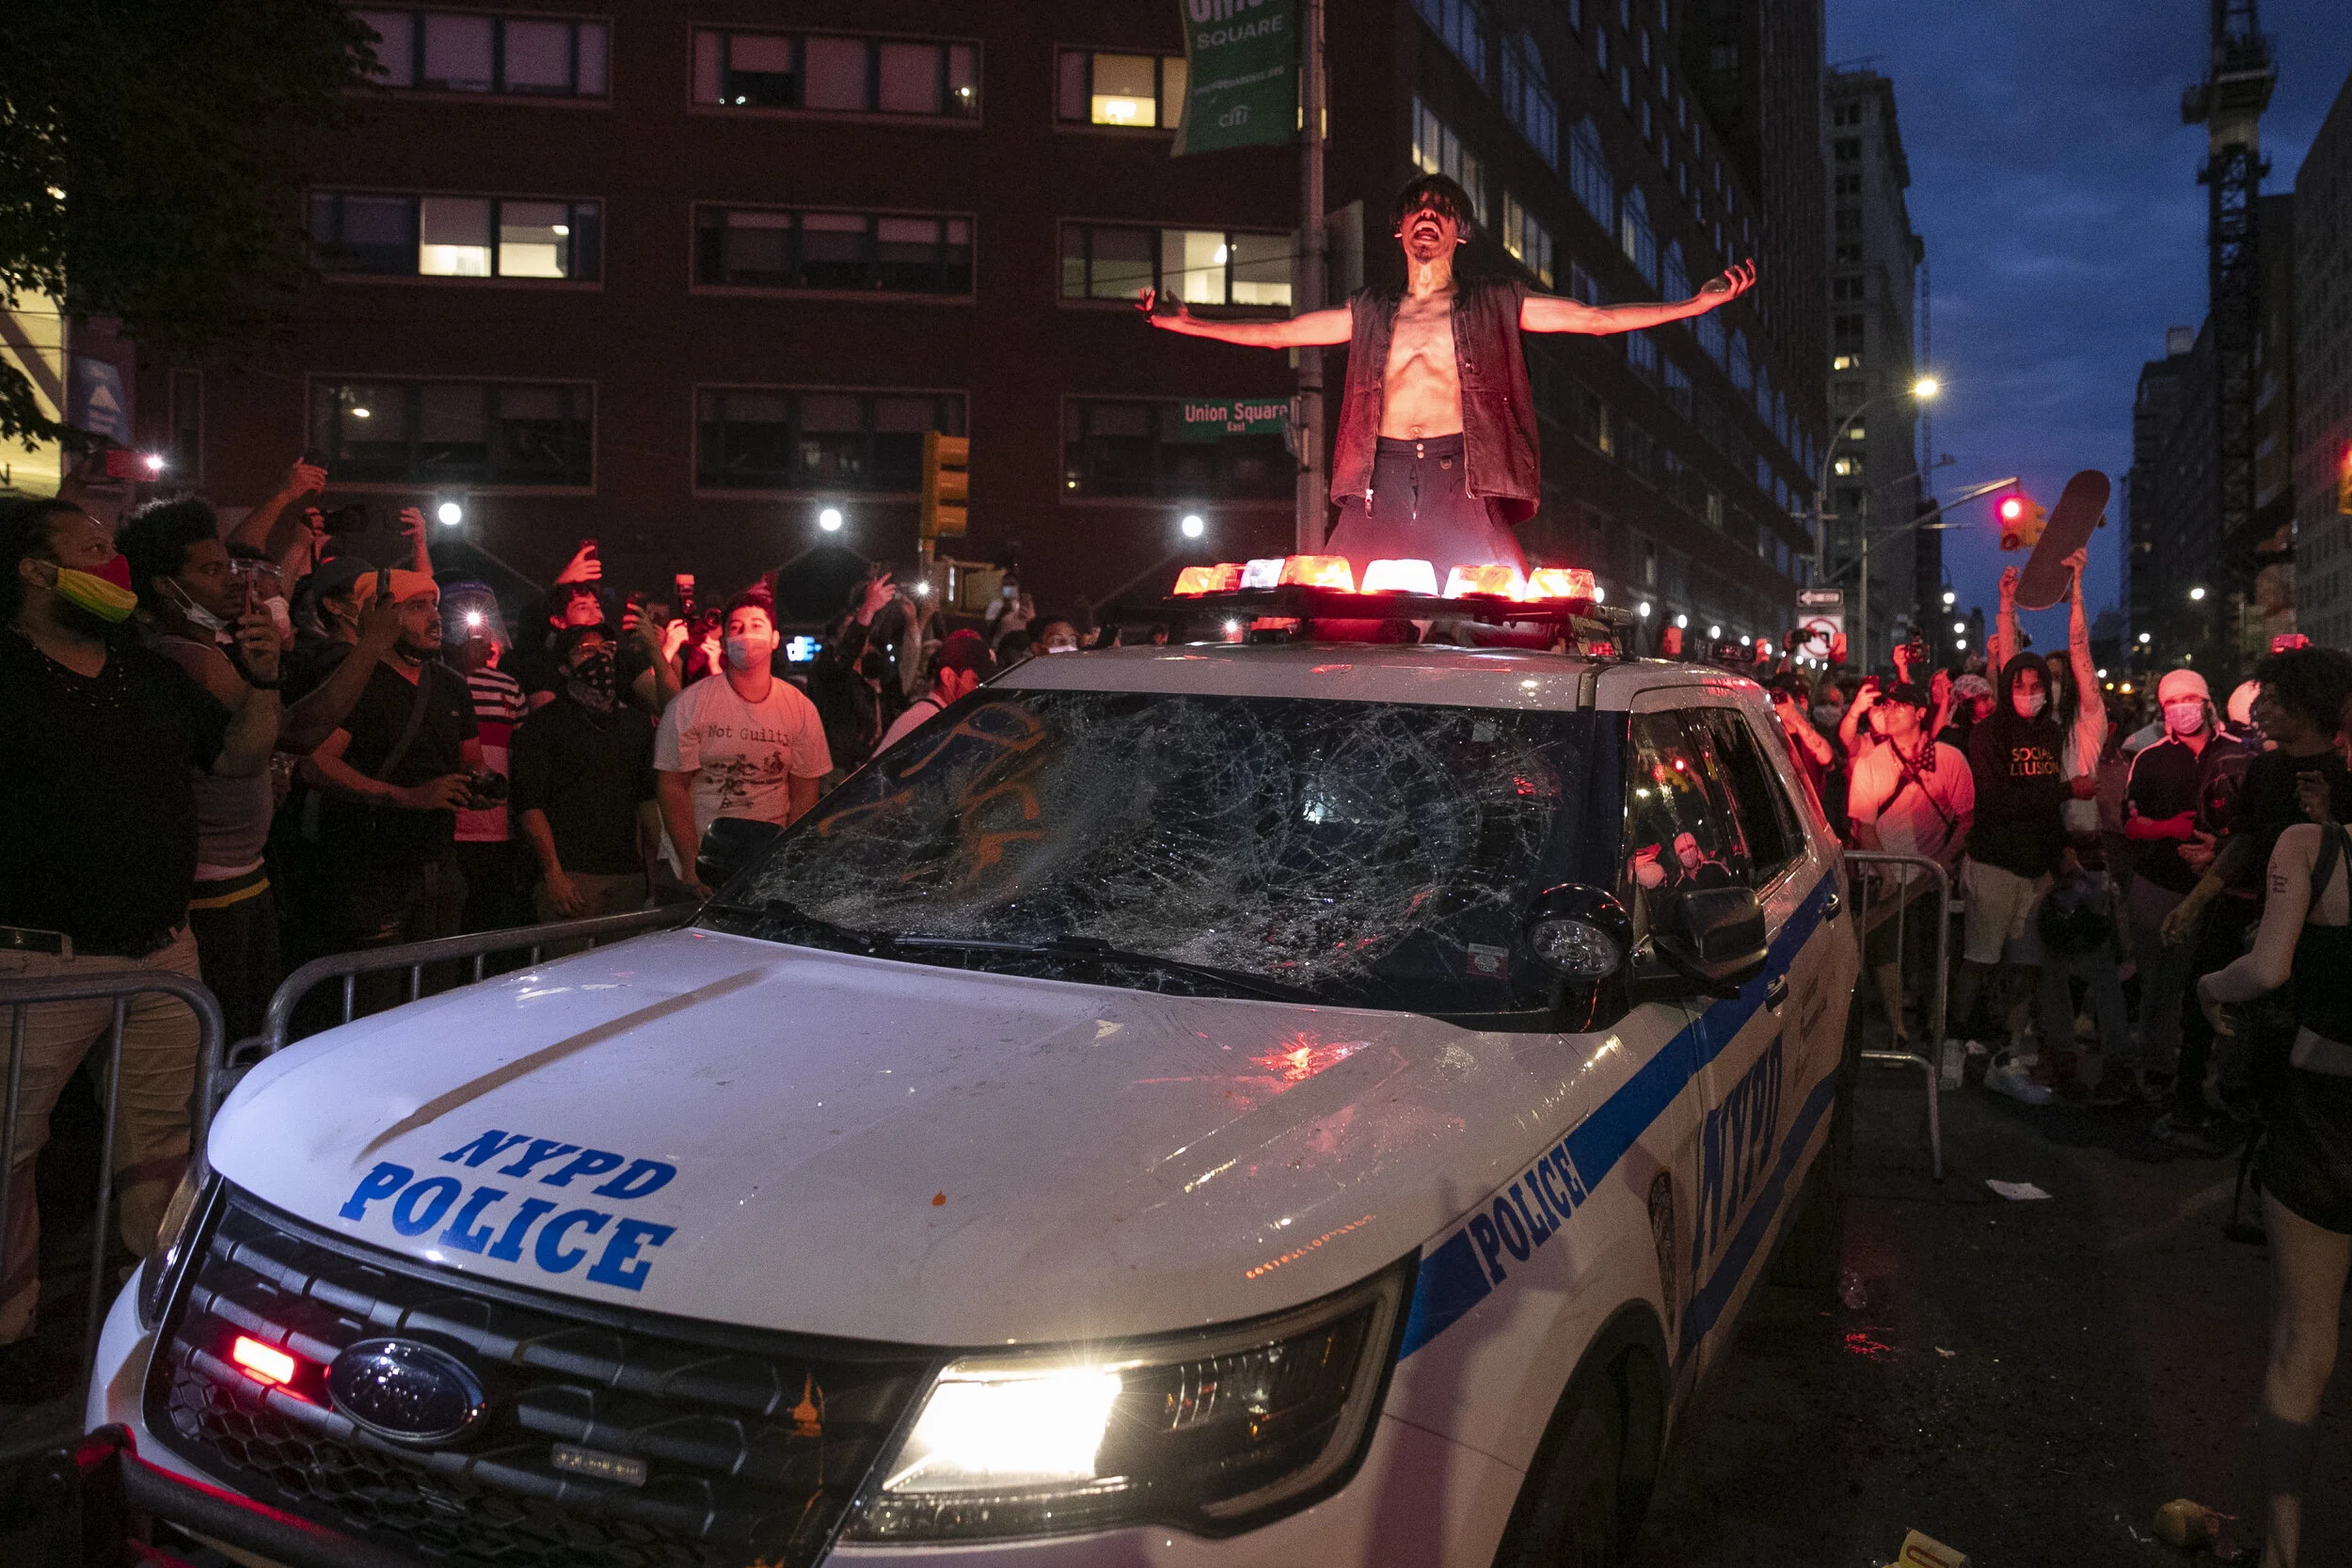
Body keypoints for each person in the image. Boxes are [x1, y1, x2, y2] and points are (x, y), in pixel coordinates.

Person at [0, 499, 281, 1396]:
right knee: (9, 1153)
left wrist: (264, 680)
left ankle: (145, 1314)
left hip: (162, 959)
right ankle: (11, 1336)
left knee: (160, 1148)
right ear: (34, 572)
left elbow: (236, 758)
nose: (113, 563)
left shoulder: (143, 672)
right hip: (38, 964)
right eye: (90, 550)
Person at [1143, 172, 1754, 582]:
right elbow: (1281, 332)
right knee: (1328, 614)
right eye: (1416, 209)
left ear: (1461, 231)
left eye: (1442, 210)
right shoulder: (1371, 309)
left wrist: (1691, 306)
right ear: (1400, 230)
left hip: (1461, 479)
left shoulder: (1496, 300)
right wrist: (1187, 324)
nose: (1427, 215)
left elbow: (1593, 319)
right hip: (1375, 483)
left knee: (1510, 611)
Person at [2191, 692, 2352, 1568]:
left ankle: (2280, 1550)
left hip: (2327, 1117)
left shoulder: (2310, 848)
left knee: (2304, 1344)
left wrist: (2214, 985)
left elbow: (2270, 966)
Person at [115, 499, 291, 1044]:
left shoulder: (210, 647)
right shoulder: (183, 658)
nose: (233, 583)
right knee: (226, 1042)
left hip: (242, 877)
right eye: (211, 571)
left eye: (230, 568)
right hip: (212, 892)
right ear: (166, 587)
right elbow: (259, 750)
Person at [2161, 647, 2352, 1144]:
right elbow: (2243, 843)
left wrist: (2328, 820)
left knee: (2281, 1038)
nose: (2259, 709)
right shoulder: (2265, 770)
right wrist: (2195, 901)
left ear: (2307, 704)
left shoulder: (2344, 770)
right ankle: (2189, 1105)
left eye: (2272, 699)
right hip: (2241, 909)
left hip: (2313, 935)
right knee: (2200, 1004)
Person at [300, 569, 482, 1005]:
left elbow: (470, 759)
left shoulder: (452, 685)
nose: (435, 616)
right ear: (382, 617)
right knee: (373, 1008)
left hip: (438, 866)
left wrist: (481, 783)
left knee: (437, 1004)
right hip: (372, 871)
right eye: (417, 606)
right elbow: (314, 763)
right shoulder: (355, 682)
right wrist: (406, 797)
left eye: (435, 605)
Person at [655, 590, 832, 895]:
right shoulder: (690, 705)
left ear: (775, 638)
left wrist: (785, 864)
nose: (746, 635)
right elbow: (672, 787)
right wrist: (690, 865)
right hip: (700, 864)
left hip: (764, 867)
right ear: (723, 640)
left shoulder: (800, 710)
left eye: (756, 626)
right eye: (736, 628)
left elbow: (804, 795)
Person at [2126, 670, 2243, 1091]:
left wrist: (2220, 846)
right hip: (2158, 884)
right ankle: (2157, 1064)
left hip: (2222, 887)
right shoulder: (2151, 757)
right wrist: (2169, 828)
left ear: (2208, 702)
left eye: (2189, 699)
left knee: (2212, 981)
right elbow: (2131, 825)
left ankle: (2210, 1070)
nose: (2182, 709)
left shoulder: (2237, 753)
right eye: (2172, 703)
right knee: (2158, 982)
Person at [1845, 682, 1974, 1050]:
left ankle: (1935, 1023)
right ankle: (1898, 1028)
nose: (1891, 710)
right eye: (1887, 705)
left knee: (1936, 952)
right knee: (1886, 952)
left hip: (1933, 877)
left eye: (1902, 704)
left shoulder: (1950, 759)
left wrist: (1943, 862)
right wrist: (1886, 870)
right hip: (1886, 872)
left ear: (1921, 712)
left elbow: (1967, 820)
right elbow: (1863, 826)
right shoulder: (1871, 761)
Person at [511, 625, 659, 944]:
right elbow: (530, 805)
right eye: (587, 651)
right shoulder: (544, 724)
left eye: (606, 648)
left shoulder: (635, 724)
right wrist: (553, 874)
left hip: (627, 878)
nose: (601, 658)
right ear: (564, 667)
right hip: (573, 879)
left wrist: (653, 873)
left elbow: (646, 800)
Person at [445, 586, 529, 935]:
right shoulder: (443, 684)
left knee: (488, 915)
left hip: (498, 825)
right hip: (452, 823)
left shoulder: (508, 686)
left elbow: (521, 748)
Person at [808, 573, 903, 773]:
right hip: (837, 774)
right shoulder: (826, 673)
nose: (861, 636)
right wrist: (867, 609)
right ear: (834, 640)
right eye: (847, 630)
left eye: (861, 630)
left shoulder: (870, 681)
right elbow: (845, 657)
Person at [875, 630, 992, 753]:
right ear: (949, 678)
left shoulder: (944, 715)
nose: (983, 690)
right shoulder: (921, 718)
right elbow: (872, 770)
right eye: (977, 683)